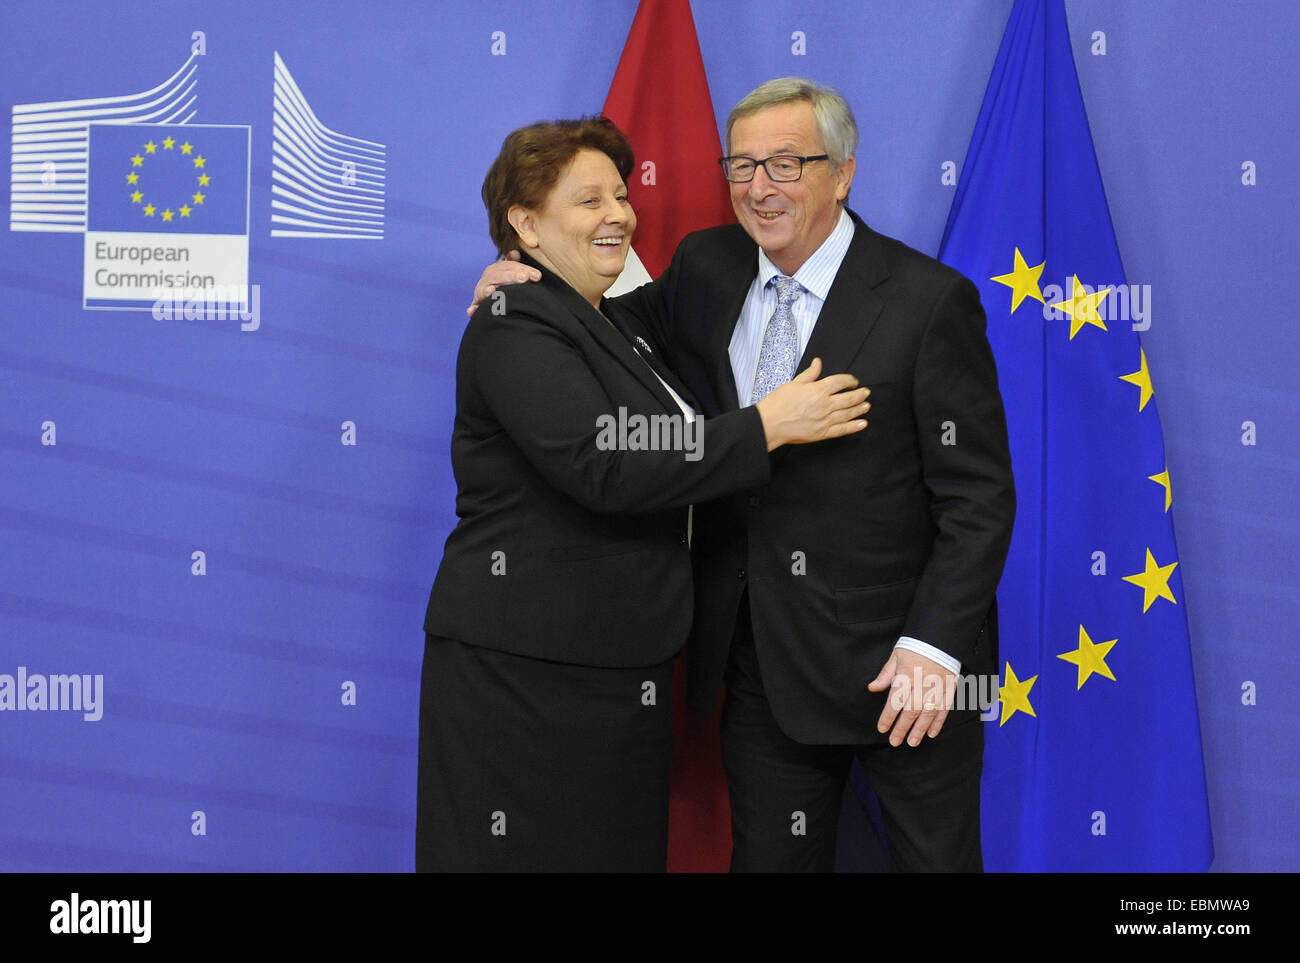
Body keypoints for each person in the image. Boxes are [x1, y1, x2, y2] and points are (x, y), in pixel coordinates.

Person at [469, 79, 1016, 872]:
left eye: (787, 164)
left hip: (903, 674)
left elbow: (979, 497)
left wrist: (933, 650)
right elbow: (607, 337)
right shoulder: (707, 264)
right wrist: (521, 283)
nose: (759, 188)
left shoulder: (929, 303)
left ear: (843, 172)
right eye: (743, 165)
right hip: (760, 669)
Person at [417, 116, 871, 872]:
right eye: (588, 201)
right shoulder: (513, 321)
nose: (618, 215)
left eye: (621, 195)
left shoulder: (611, 322)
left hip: (617, 668)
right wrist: (766, 426)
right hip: (526, 674)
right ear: (524, 224)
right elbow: (606, 459)